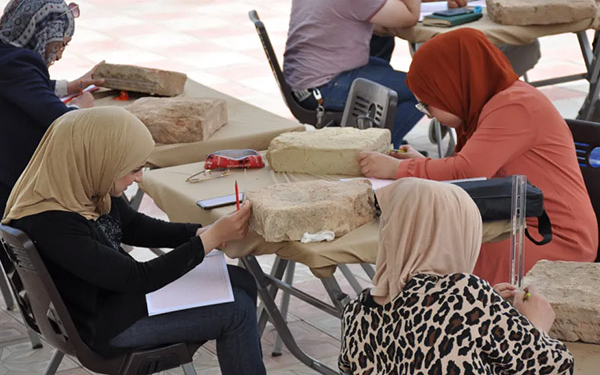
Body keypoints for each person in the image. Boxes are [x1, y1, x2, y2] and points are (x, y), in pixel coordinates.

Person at [2, 107, 266, 375]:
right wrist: (210, 239)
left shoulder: (86, 184)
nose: (139, 177)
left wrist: (197, 233)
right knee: (238, 311)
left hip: (116, 303)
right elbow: (137, 277)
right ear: (100, 160)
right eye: (134, 169)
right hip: (104, 326)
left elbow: (133, 226)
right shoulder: (52, 223)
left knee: (241, 281)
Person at [357, 28, 598, 285]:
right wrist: (419, 163)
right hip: (515, 222)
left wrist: (397, 170)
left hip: (553, 238)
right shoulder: (491, 102)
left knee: (432, 260)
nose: (426, 114)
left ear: (452, 88)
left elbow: (467, 170)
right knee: (428, 252)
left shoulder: (515, 105)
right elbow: (472, 170)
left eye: (427, 104)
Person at [339, 178, 574, 375]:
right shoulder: (464, 294)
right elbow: (555, 367)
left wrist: (488, 308)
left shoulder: (355, 313)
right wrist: (536, 326)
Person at [0, 0, 104, 216]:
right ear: (42, 34)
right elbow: (62, 121)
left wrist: (70, 86)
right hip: (10, 188)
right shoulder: (20, 63)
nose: (59, 56)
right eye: (59, 45)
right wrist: (80, 108)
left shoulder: (7, 52)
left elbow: (24, 86)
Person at [283, 0, 424, 147]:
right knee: (422, 89)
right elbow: (410, 16)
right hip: (323, 88)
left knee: (382, 66)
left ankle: (379, 142)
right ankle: (376, 150)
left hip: (302, 81)